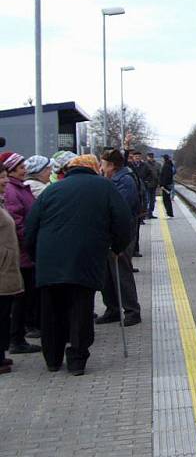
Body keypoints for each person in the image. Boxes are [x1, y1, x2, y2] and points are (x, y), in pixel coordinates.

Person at [25, 154, 132, 375]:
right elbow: (123, 221)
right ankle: (77, 360)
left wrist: (36, 256)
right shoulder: (105, 187)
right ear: (93, 168)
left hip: (49, 262)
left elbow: (31, 226)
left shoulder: (52, 190)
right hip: (85, 259)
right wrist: (117, 247)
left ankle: (52, 359)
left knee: (51, 311)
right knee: (81, 310)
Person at [0, 152, 41, 353]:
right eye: (21, 167)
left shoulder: (20, 188)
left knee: (24, 296)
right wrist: (30, 240)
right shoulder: (12, 191)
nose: (25, 170)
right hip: (20, 253)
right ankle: (16, 339)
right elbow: (17, 222)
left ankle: (17, 337)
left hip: (24, 252)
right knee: (19, 298)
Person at [96, 149, 141, 326]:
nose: (101, 167)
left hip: (120, 234)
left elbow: (121, 208)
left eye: (103, 164)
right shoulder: (113, 179)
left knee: (121, 272)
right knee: (107, 274)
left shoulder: (124, 180)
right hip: (109, 233)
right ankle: (112, 309)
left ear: (112, 166)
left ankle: (132, 310)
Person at [0, 166, 24, 374]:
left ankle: (1, 356)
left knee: (3, 312)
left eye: (5, 177)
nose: (5, 181)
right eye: (1, 177)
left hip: (6, 266)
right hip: (2, 265)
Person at [144, 153, 160, 218]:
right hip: (146, 185)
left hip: (154, 185)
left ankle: (150, 213)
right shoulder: (144, 164)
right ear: (147, 157)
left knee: (152, 200)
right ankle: (147, 214)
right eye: (149, 157)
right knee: (147, 200)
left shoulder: (157, 165)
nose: (151, 158)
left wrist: (159, 183)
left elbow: (159, 174)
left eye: (152, 157)